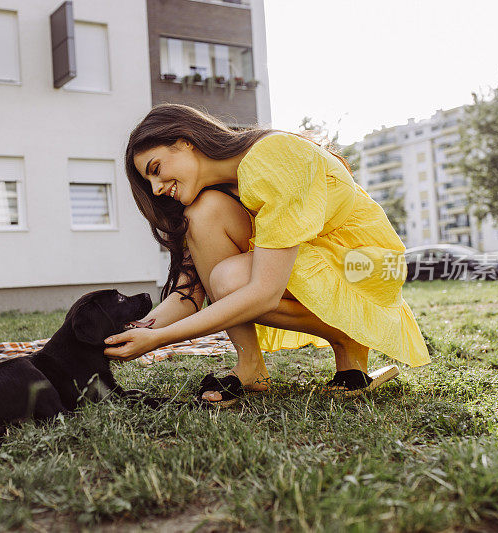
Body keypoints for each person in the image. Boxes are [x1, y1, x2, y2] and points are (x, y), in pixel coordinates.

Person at [104, 104, 430, 405]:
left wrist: (159, 339)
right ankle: (251, 367)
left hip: (363, 264)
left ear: (185, 140)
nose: (157, 188)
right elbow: (190, 290)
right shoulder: (213, 195)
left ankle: (349, 336)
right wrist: (138, 329)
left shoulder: (273, 157)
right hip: (313, 261)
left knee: (230, 279)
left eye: (156, 169)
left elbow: (263, 292)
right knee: (203, 219)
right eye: (149, 182)